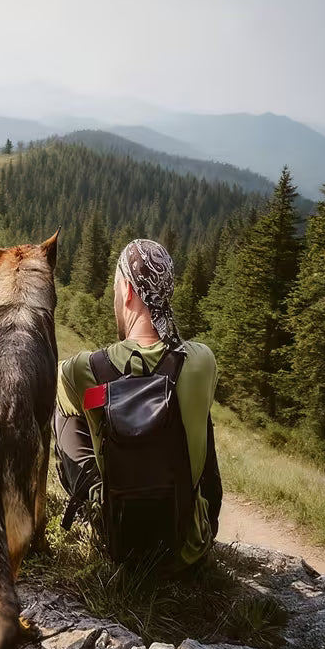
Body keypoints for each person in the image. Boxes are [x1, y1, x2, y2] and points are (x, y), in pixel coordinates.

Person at [54, 239, 221, 567]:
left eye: (116, 288)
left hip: (115, 545)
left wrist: (102, 402)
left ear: (128, 290)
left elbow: (68, 417)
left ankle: (98, 507)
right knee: (199, 415)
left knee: (63, 414)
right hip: (184, 552)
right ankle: (198, 522)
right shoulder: (202, 361)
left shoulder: (82, 370)